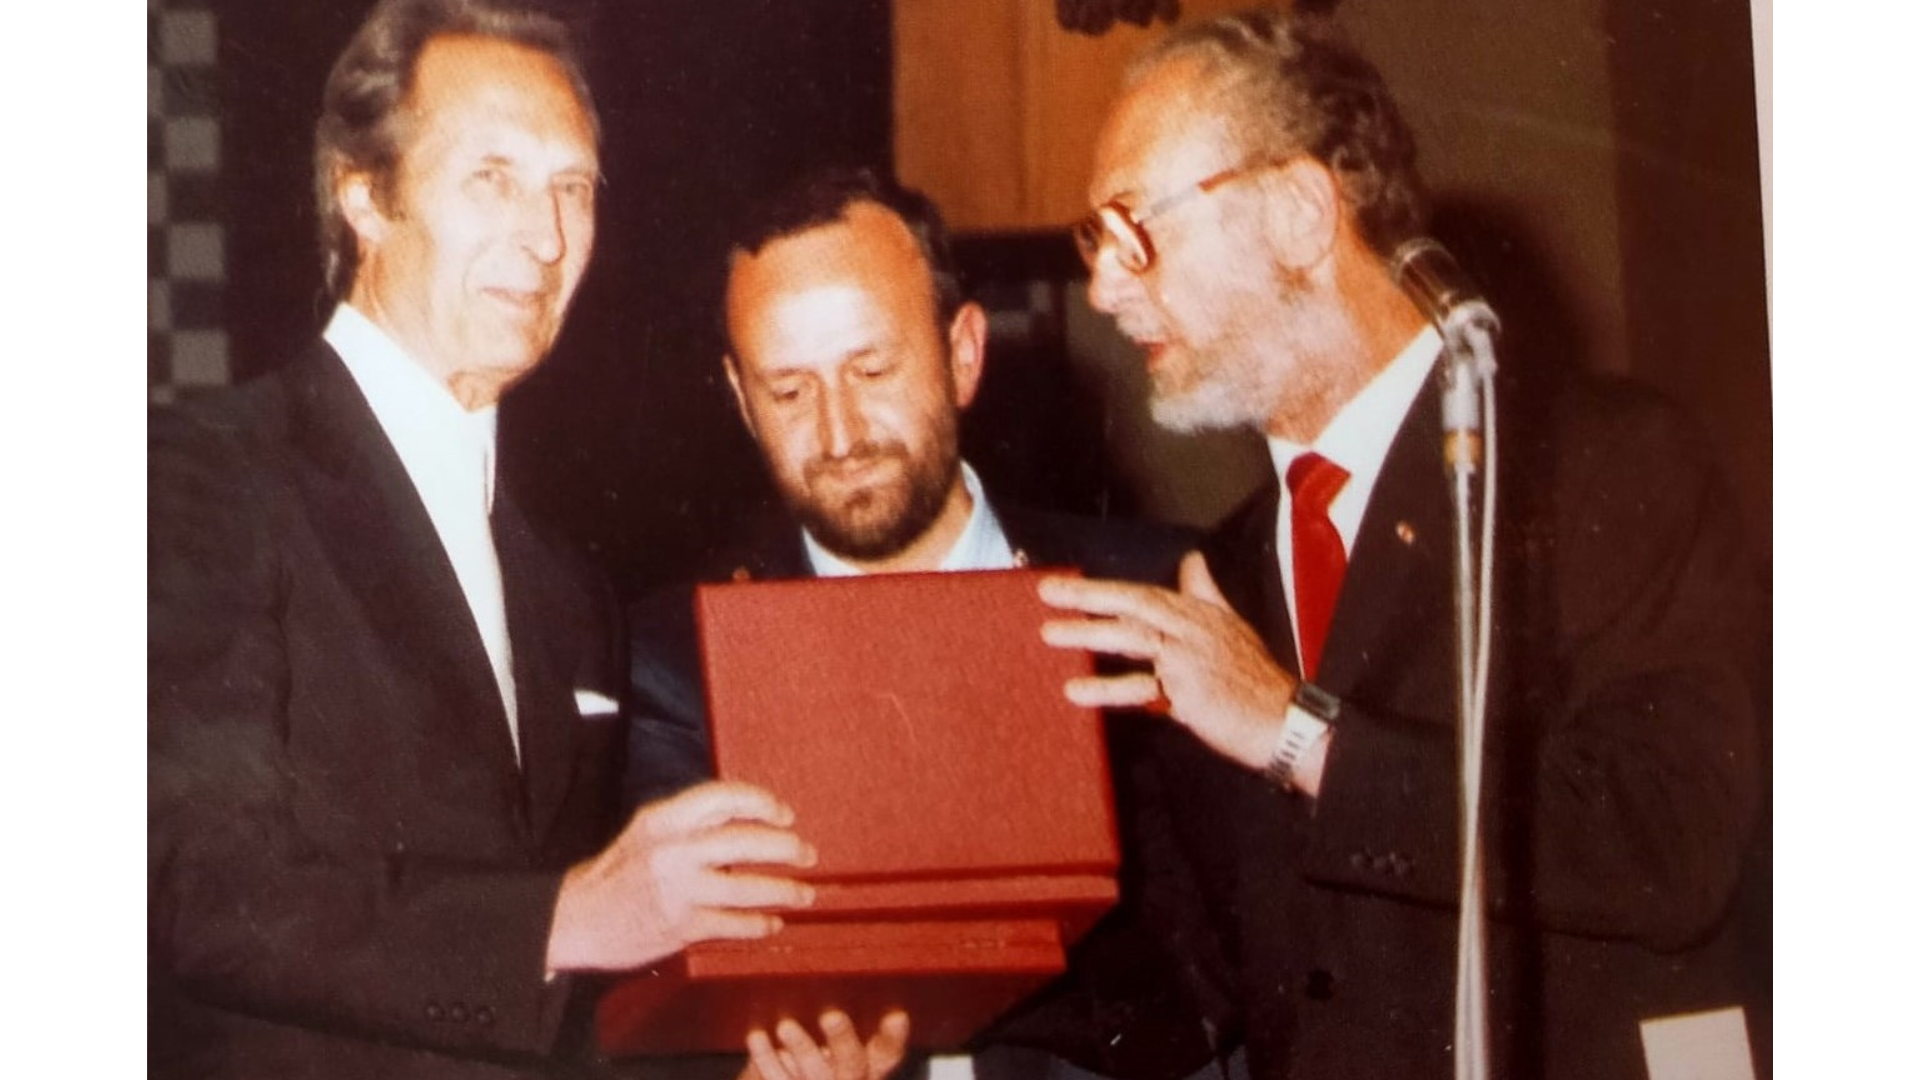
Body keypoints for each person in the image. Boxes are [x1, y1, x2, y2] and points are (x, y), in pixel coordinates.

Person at [148, 3, 904, 1077]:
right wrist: (569, 916)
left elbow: (552, 1003)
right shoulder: (196, 478)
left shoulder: (565, 591)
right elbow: (198, 894)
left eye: (572, 188)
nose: (546, 240)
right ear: (365, 195)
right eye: (492, 179)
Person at [1037, 9, 1766, 1080]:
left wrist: (1296, 733)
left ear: (1297, 213)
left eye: (1134, 227)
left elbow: (1671, 840)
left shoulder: (1600, 465)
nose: (1104, 288)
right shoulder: (1223, 576)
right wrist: (907, 988)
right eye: (1095, 241)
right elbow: (1189, 989)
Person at [623, 167, 1218, 1080]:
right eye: (789, 391)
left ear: (964, 354)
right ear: (741, 401)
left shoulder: (1159, 599)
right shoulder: (671, 664)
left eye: (872, 370)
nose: (840, 434)